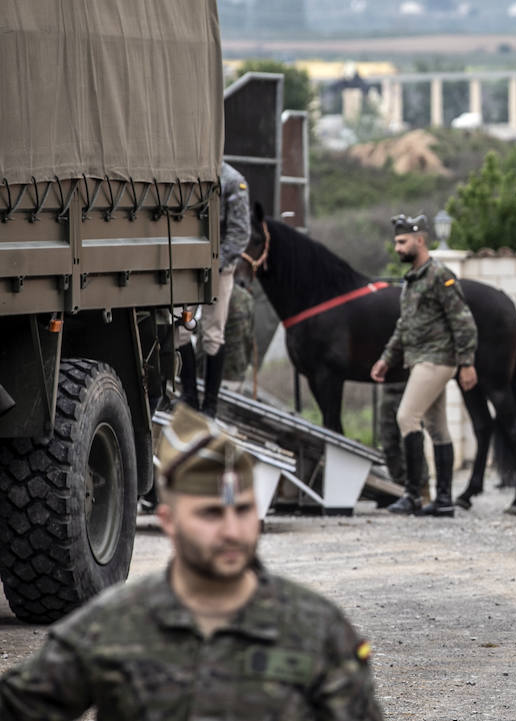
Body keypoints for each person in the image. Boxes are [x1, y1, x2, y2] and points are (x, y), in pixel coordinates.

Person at [0, 405, 385, 720]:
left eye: (245, 511)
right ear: (168, 520)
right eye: (210, 514)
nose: (232, 531)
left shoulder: (318, 631)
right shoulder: (114, 626)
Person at [371, 214, 478, 517]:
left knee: (406, 416)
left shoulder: (439, 275)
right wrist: (385, 358)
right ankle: (443, 500)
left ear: (420, 240)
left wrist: (467, 362)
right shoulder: (412, 281)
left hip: (436, 359)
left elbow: (463, 322)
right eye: (395, 242)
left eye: (402, 242)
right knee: (437, 427)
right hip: (419, 359)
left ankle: (413, 494)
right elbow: (404, 326)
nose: (397, 248)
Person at [177, 160, 251, 417]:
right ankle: (188, 396)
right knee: (180, 329)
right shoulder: (184, 171)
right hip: (187, 265)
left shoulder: (232, 181)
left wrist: (216, 264)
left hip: (220, 267)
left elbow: (240, 233)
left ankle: (210, 404)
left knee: (213, 333)